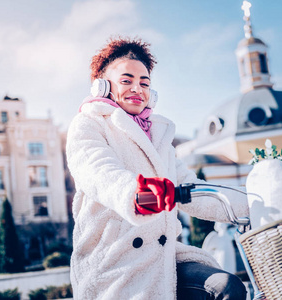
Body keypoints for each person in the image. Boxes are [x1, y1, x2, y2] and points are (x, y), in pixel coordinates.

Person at [66, 37, 248, 299]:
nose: (137, 89)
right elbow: (98, 171)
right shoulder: (88, 124)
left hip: (165, 258)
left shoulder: (158, 136)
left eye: (144, 83)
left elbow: (192, 187)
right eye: (126, 81)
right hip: (115, 261)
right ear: (103, 87)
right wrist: (135, 194)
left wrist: (257, 200)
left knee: (225, 287)